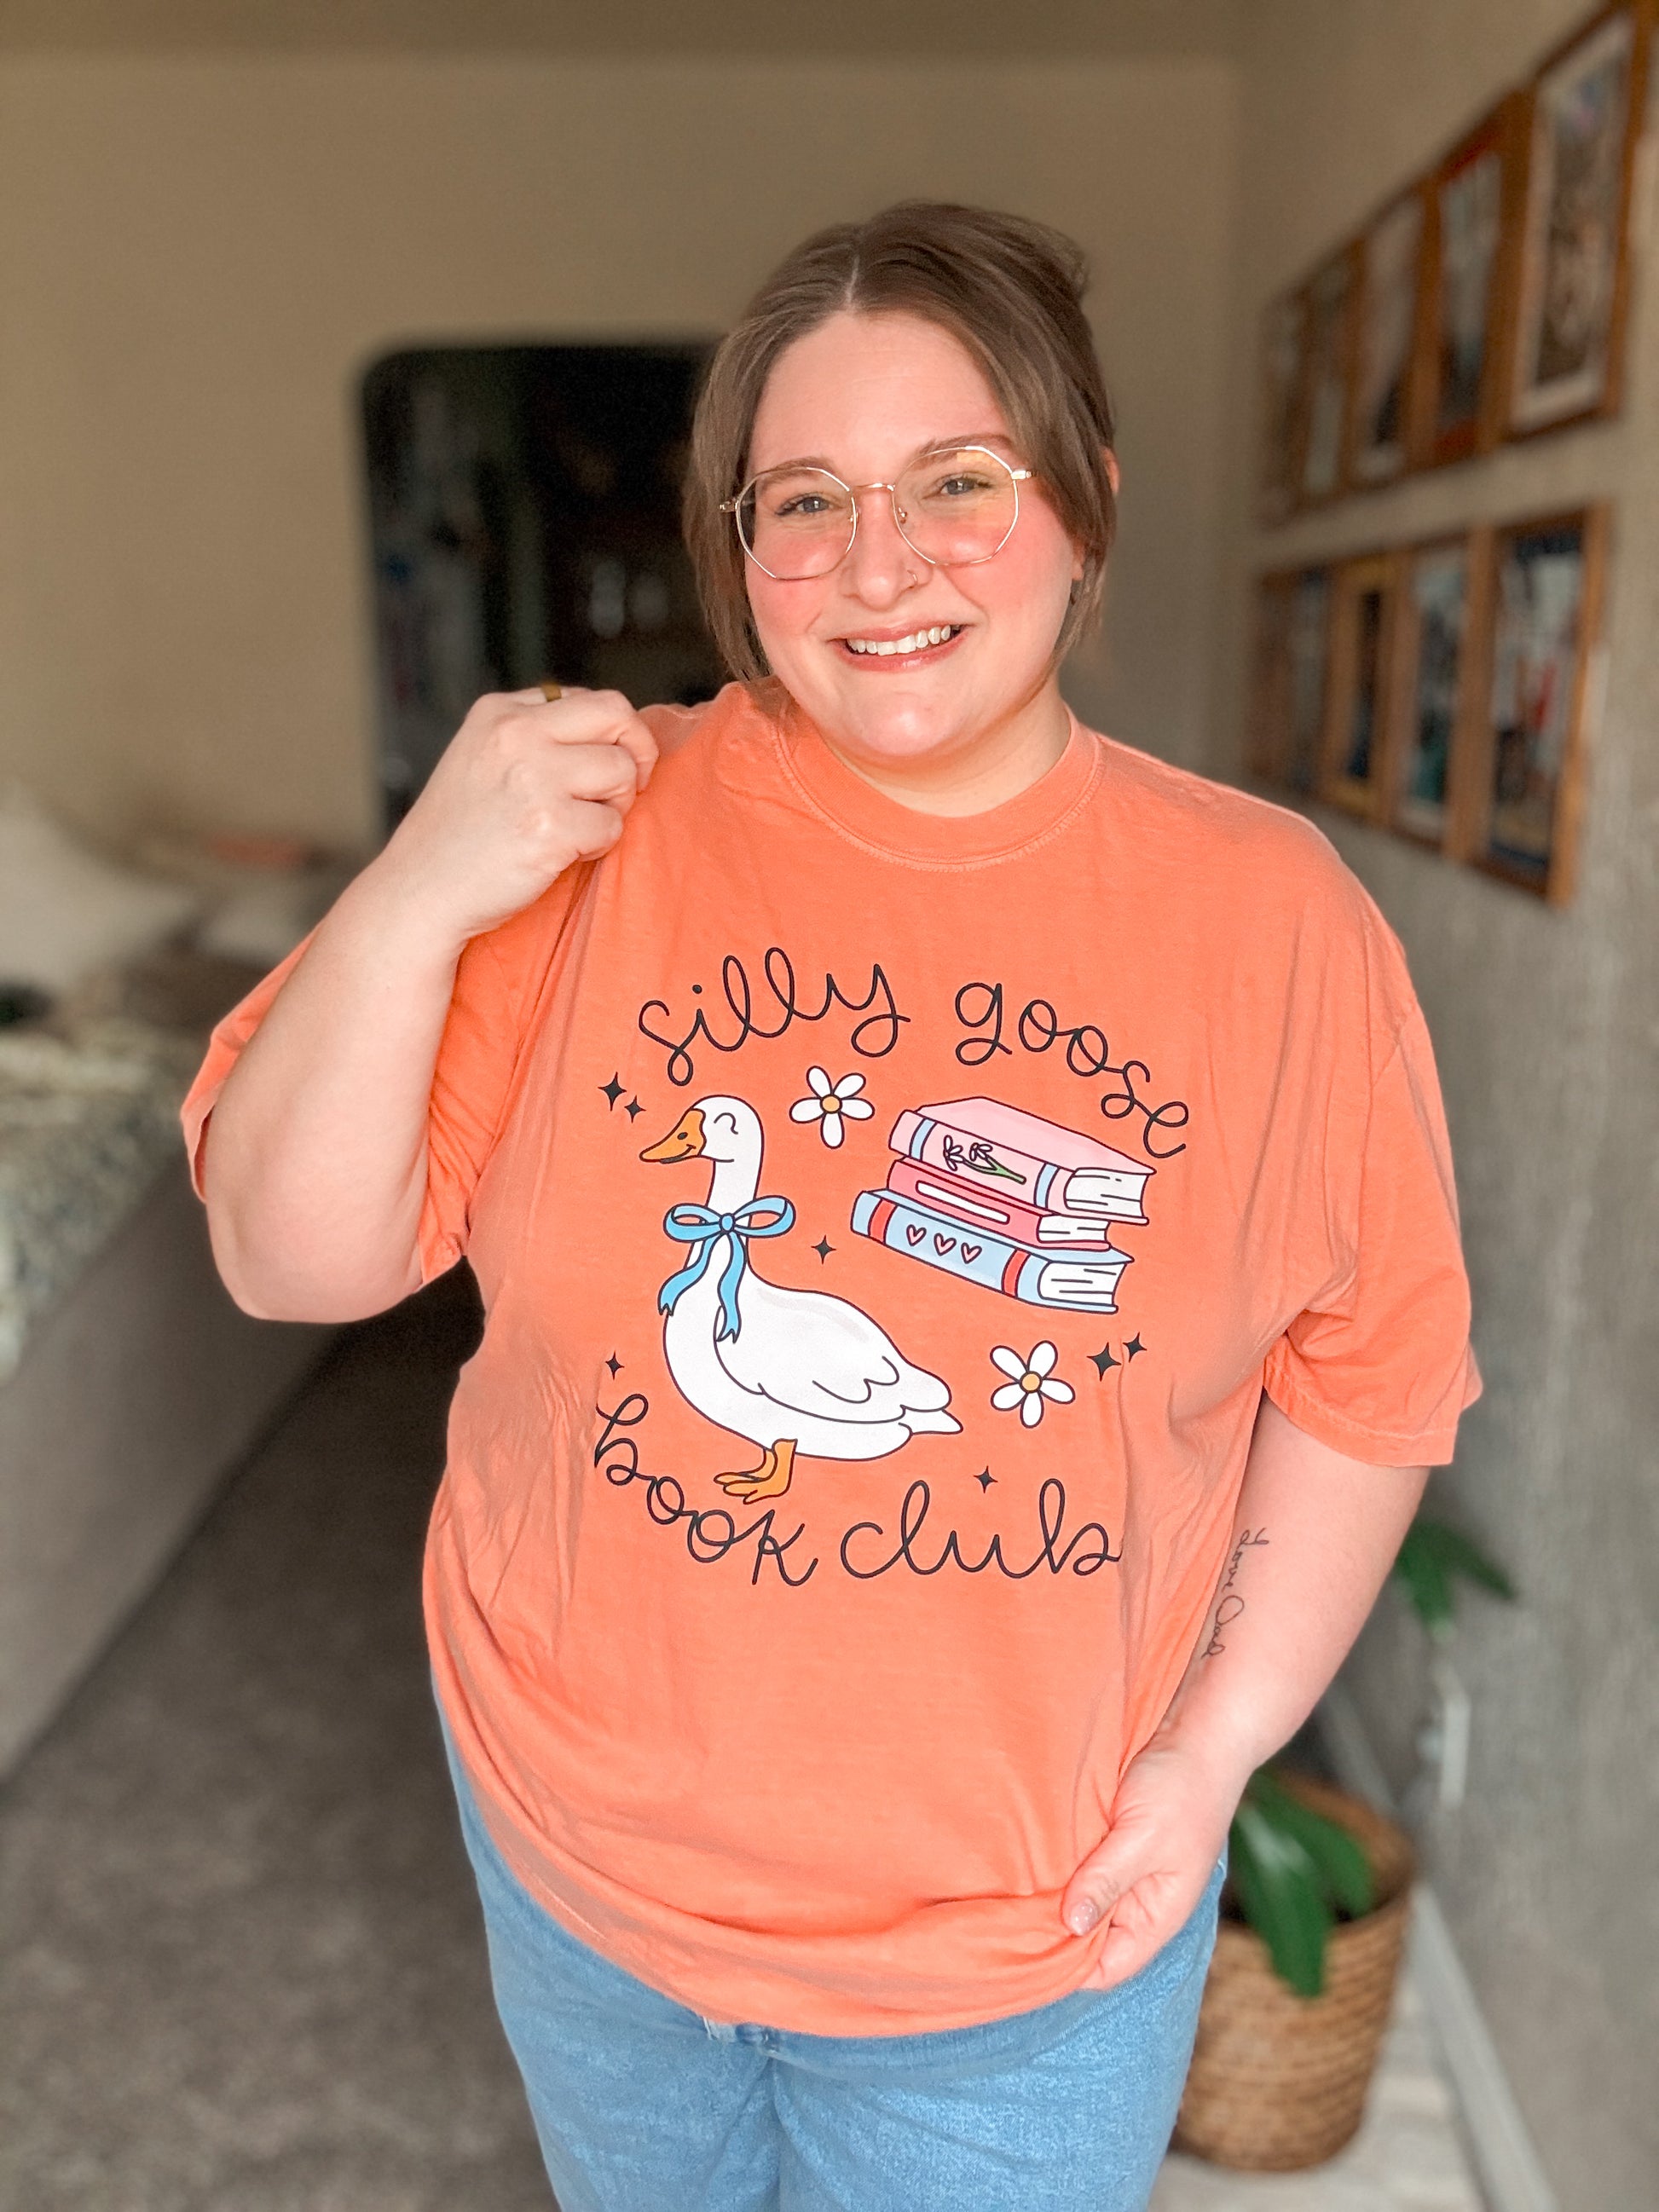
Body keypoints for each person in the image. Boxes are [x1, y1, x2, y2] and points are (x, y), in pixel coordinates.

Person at [182, 202, 1479, 2212]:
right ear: (738, 548)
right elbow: (289, 1258)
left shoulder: (1275, 920)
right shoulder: (585, 828)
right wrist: (419, 883)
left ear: (1086, 501)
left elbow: (1370, 1380)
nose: (881, 564)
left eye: (958, 479)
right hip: (578, 1862)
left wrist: (1212, 1750)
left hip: (1020, 1943)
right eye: (806, 499)